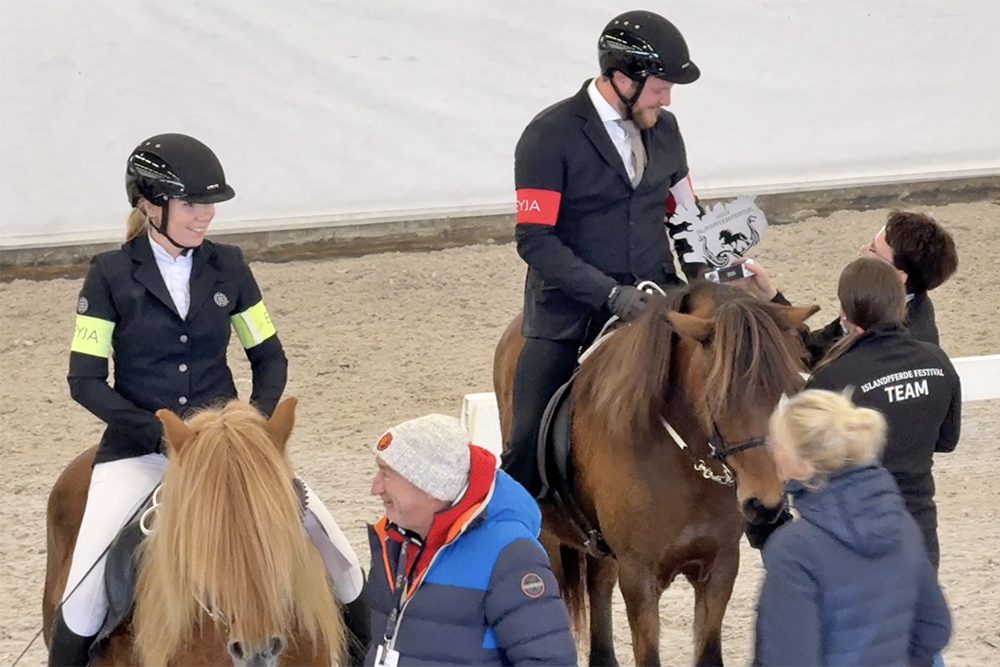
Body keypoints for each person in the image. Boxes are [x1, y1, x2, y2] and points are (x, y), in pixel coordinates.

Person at [57, 133, 368, 666]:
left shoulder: (229, 266)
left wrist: (254, 432)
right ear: (149, 204)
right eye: (192, 204)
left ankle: (370, 653)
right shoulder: (108, 275)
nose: (205, 217)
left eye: (210, 206)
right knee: (83, 600)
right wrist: (160, 434)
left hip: (234, 453)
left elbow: (269, 358)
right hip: (142, 452)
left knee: (342, 564)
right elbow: (85, 380)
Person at [504, 9, 705, 498]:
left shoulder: (666, 129)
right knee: (525, 445)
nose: (667, 97)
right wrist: (610, 294)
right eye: (660, 87)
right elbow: (535, 239)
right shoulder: (549, 135)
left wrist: (708, 275)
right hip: (571, 310)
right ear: (621, 78)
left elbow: (685, 215)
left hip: (660, 295)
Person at [754, 389, 951, 666]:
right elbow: (934, 627)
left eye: (777, 442)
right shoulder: (902, 523)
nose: (771, 447)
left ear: (805, 462)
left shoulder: (794, 549)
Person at [366, 414, 577, 667]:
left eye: (387, 474)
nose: (375, 488)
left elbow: (549, 661)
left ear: (431, 488)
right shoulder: (392, 543)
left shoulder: (510, 556)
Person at [805, 257, 961, 570]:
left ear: (844, 312)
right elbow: (946, 441)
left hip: (855, 530)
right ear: (901, 306)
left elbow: (810, 464)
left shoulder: (830, 378)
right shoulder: (937, 360)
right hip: (919, 528)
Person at [733, 210, 958, 366]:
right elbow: (812, 349)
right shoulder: (879, 303)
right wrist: (768, 295)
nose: (862, 250)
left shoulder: (904, 343)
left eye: (873, 250)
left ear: (898, 277)